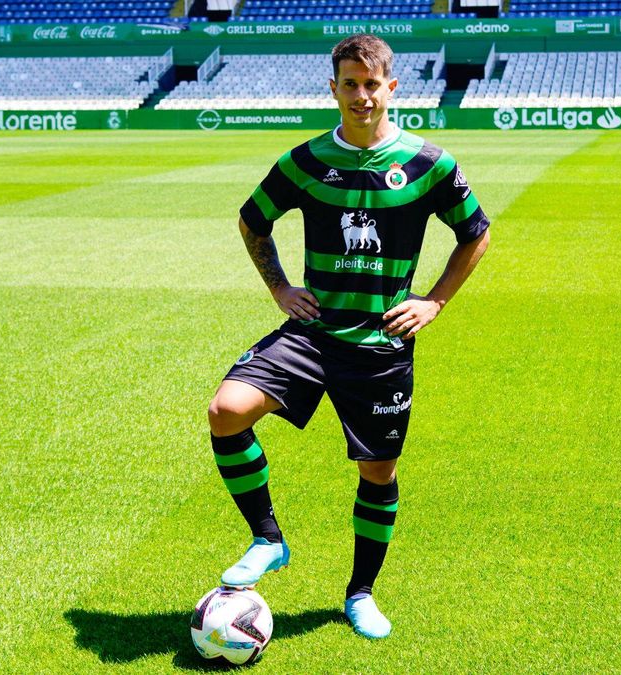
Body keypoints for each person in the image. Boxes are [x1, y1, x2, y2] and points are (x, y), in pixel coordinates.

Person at [205, 33, 491, 640]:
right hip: (313, 332)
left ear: (391, 87)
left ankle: (360, 593)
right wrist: (281, 289)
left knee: (378, 474)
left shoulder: (429, 163)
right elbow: (253, 221)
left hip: (382, 347)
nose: (362, 96)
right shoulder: (304, 162)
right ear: (333, 89)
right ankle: (267, 539)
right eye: (350, 84)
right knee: (227, 410)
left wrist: (434, 300)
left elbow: (476, 234)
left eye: (371, 84)